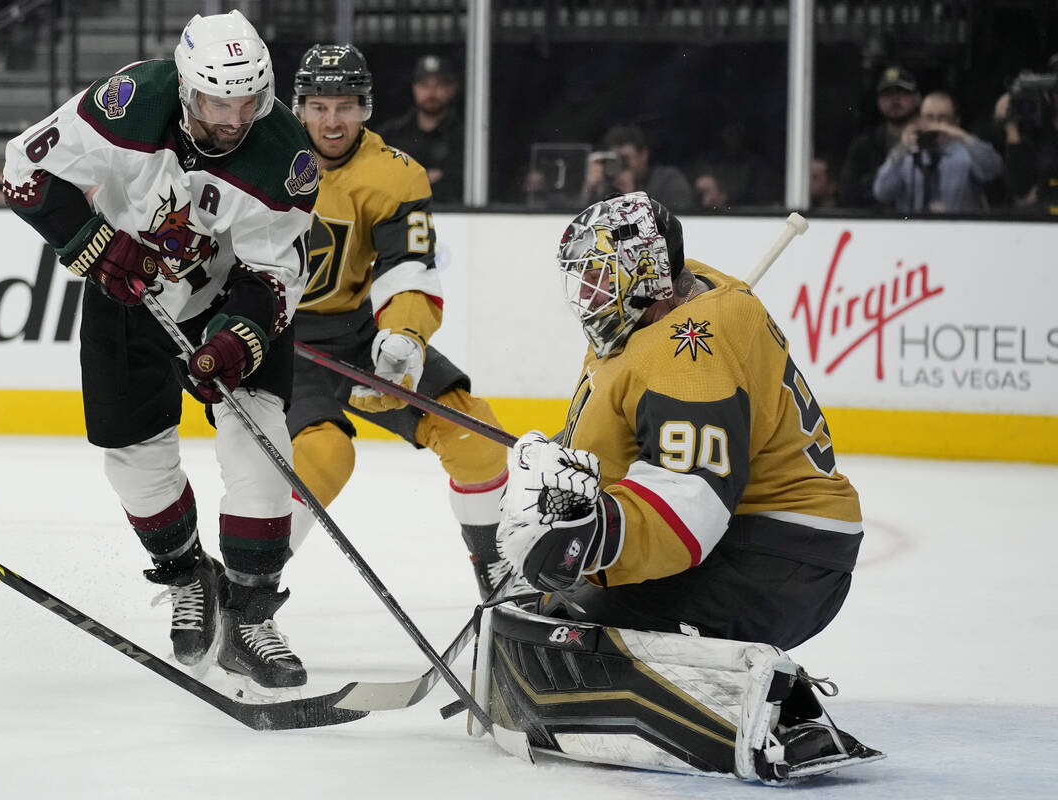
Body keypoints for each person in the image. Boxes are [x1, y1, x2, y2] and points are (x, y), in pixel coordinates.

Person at [484, 192, 879, 781]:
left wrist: (588, 537)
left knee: (570, 633)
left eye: (598, 277)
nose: (585, 295)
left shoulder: (686, 353)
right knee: (544, 611)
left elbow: (690, 503)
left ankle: (766, 708)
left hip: (777, 556)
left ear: (647, 275)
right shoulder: (670, 305)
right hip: (771, 542)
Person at [2, 10, 319, 691]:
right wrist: (93, 243)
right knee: (134, 462)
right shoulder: (129, 102)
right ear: (184, 88)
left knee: (261, 454)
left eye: (246, 103)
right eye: (215, 102)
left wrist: (241, 335)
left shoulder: (285, 154)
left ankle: (252, 621)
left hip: (226, 305)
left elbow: (279, 269)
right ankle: (186, 576)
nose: (232, 120)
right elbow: (24, 171)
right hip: (128, 295)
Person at [287, 44, 509, 600]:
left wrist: (403, 338)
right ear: (299, 109)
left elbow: (405, 266)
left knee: (475, 436)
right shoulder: (263, 159)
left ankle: (500, 581)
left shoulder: (394, 176)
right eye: (318, 106)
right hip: (275, 342)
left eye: (344, 106)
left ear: (365, 108)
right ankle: (249, 593)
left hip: (358, 336)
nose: (331, 121)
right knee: (323, 457)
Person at [873, 90, 1003, 213]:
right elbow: (882, 192)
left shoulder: (967, 153)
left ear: (955, 121)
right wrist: (901, 149)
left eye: (943, 118)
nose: (935, 124)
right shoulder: (907, 154)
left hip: (959, 230)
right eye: (929, 117)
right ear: (920, 120)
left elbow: (993, 170)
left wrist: (964, 137)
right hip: (914, 230)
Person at [376, 53, 464, 204]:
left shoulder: (466, 137)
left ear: (452, 90)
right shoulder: (390, 134)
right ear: (414, 89)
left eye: (439, 85)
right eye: (424, 85)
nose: (431, 92)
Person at [838, 65, 922, 208]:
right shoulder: (864, 146)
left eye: (902, 92)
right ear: (878, 101)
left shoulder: (930, 141)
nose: (895, 99)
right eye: (887, 94)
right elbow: (848, 194)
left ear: (917, 98)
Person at [581, 123, 693, 210]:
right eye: (615, 160)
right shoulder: (607, 187)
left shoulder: (668, 180)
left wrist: (632, 195)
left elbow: (677, 220)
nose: (621, 166)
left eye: (625, 159)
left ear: (643, 155)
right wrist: (590, 189)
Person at [998, 54, 1058, 215]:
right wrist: (1011, 128)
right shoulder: (1033, 126)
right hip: (1038, 216)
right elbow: (1019, 187)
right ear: (1050, 95)